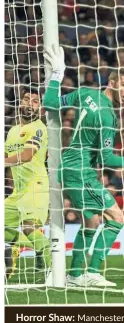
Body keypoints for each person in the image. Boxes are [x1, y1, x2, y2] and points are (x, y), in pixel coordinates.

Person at [42, 45, 124, 287]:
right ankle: (91, 271)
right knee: (117, 218)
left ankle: (76, 275)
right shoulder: (107, 115)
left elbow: (50, 102)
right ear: (112, 83)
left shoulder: (85, 93)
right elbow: (106, 159)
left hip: (71, 166)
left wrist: (57, 75)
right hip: (81, 172)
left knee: (90, 221)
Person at [4, 87, 51, 278]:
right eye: (26, 99)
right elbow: (7, 158)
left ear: (39, 107)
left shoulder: (38, 127)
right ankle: (40, 247)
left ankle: (52, 271)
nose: (30, 104)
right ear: (20, 103)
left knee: (29, 226)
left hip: (36, 185)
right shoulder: (13, 130)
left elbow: (26, 155)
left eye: (34, 101)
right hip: (18, 190)